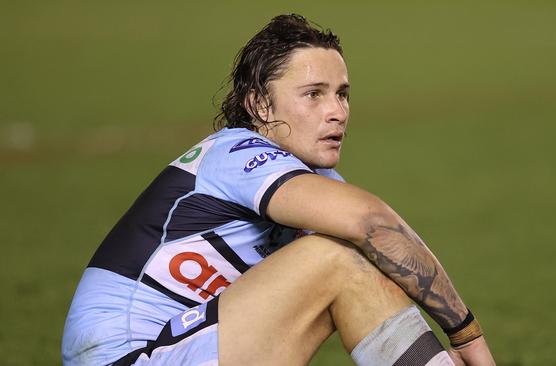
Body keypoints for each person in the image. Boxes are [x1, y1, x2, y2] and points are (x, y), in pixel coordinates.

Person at [62, 14, 495, 366]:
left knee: (366, 261)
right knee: (341, 253)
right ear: (259, 105)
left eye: (342, 94)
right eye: (313, 94)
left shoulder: (314, 185)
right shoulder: (234, 151)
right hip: (129, 357)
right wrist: (467, 337)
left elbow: (382, 276)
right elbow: (369, 222)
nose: (336, 112)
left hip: (191, 347)